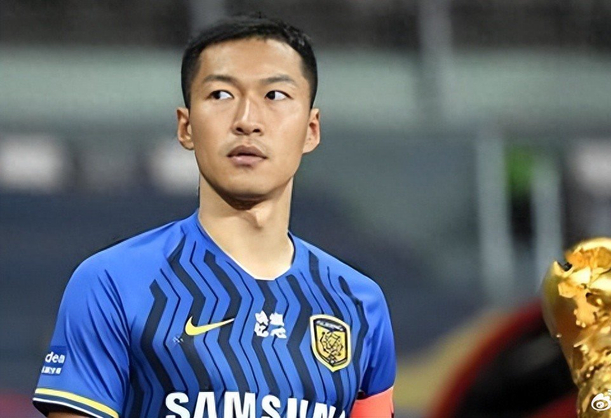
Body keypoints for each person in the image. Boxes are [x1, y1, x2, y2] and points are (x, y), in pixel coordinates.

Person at [33, 15, 395, 418]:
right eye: (221, 94)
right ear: (186, 127)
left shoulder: (358, 302)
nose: (247, 121)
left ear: (311, 129)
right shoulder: (113, 283)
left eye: (275, 95)